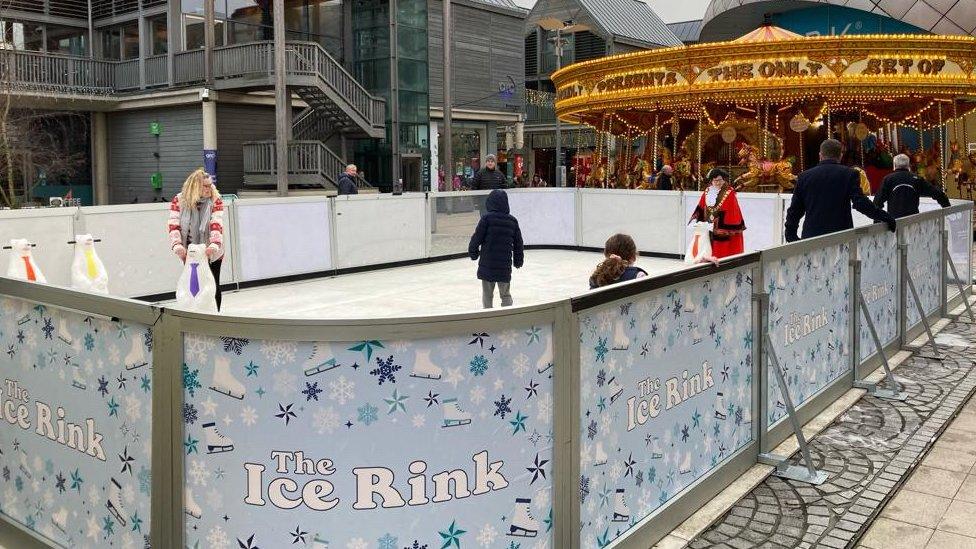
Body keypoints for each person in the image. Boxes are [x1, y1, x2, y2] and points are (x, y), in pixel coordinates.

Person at [785, 139, 896, 242]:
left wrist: (791, 234)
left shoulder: (804, 177)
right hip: (841, 234)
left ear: (820, 155)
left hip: (812, 235)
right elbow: (860, 202)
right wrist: (884, 216)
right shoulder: (849, 174)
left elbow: (795, 210)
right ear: (840, 156)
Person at [167, 168, 225, 310]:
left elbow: (216, 223)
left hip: (212, 251)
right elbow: (173, 225)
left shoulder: (215, 200)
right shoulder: (179, 200)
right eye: (205, 185)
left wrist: (214, 245)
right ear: (195, 186)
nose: (209, 188)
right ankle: (194, 313)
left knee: (212, 283)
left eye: (210, 185)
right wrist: (177, 246)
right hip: (190, 252)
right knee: (191, 284)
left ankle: (215, 317)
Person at [468, 189, 524, 308]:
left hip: (488, 264)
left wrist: (473, 252)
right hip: (504, 265)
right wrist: (518, 261)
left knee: (487, 295)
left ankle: (488, 320)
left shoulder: (486, 219)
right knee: (505, 294)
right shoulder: (512, 221)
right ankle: (507, 317)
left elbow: (477, 237)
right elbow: (519, 244)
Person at [689, 168, 746, 258]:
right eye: (715, 180)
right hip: (708, 225)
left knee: (721, 248)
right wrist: (699, 220)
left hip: (723, 227)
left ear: (724, 180)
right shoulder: (707, 191)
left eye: (720, 180)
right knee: (708, 247)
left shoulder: (729, 192)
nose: (718, 183)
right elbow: (701, 205)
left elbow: (732, 211)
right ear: (711, 181)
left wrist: (718, 225)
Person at [874, 153, 950, 218]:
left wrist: (877, 221)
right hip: (913, 220)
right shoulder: (916, 179)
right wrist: (948, 208)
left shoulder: (888, 179)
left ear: (894, 165)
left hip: (894, 221)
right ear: (908, 165)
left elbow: (877, 201)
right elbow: (937, 193)